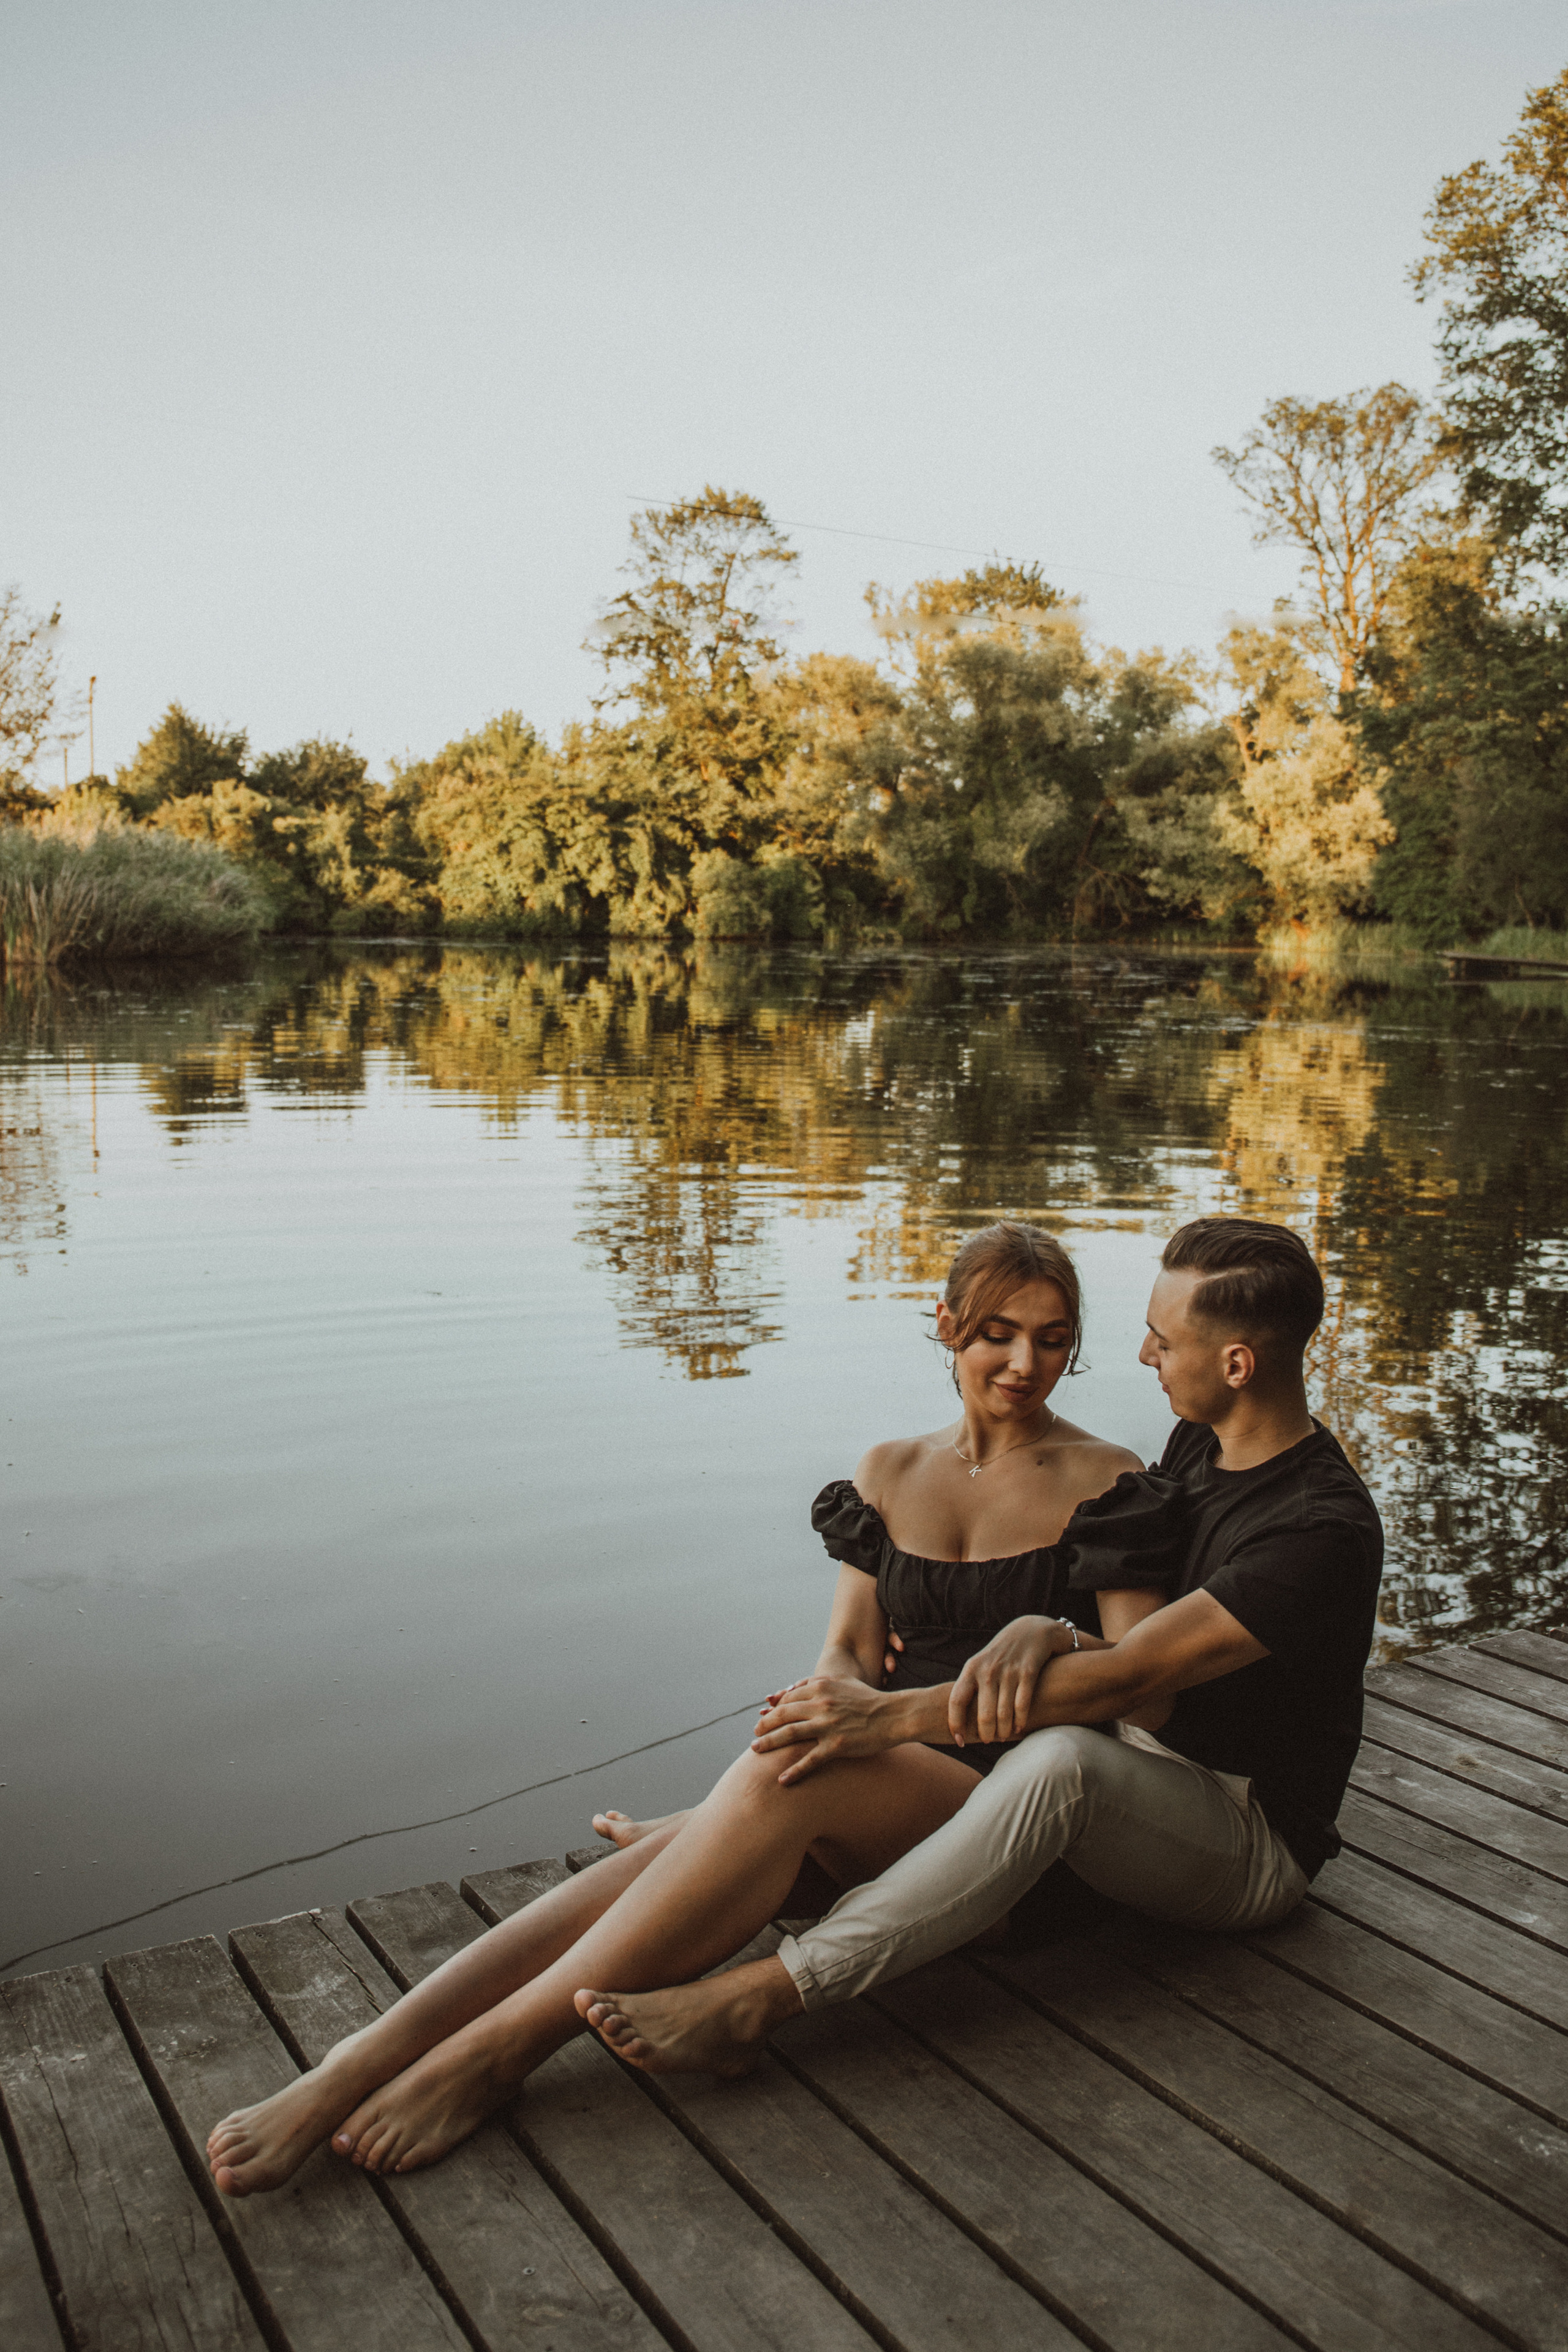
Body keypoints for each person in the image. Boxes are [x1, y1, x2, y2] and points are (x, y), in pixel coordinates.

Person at [206, 1221, 1158, 2193]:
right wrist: (828, 1688)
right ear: (950, 1324)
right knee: (714, 1822)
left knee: (786, 1777)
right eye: (1000, 1332)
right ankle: (355, 2063)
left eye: (1052, 1338)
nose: (1025, 1363)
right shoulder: (890, 1472)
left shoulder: (1108, 1479)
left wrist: (1045, 1630)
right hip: (879, 1800)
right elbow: (850, 1648)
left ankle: (496, 2055)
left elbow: (1141, 1685)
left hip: (1019, 1841)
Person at [581, 1213, 1382, 2072]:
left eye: (1162, 1339)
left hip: (1247, 1835)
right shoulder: (1203, 1442)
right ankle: (703, 1835)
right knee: (1004, 1768)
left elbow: (1134, 1677)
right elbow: (1125, 1643)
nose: (1145, 1356)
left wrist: (889, 1717)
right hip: (1147, 1770)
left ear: (1236, 1364)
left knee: (1062, 1760)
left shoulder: (1317, 1528)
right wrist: (1049, 1624)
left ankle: (771, 1994)